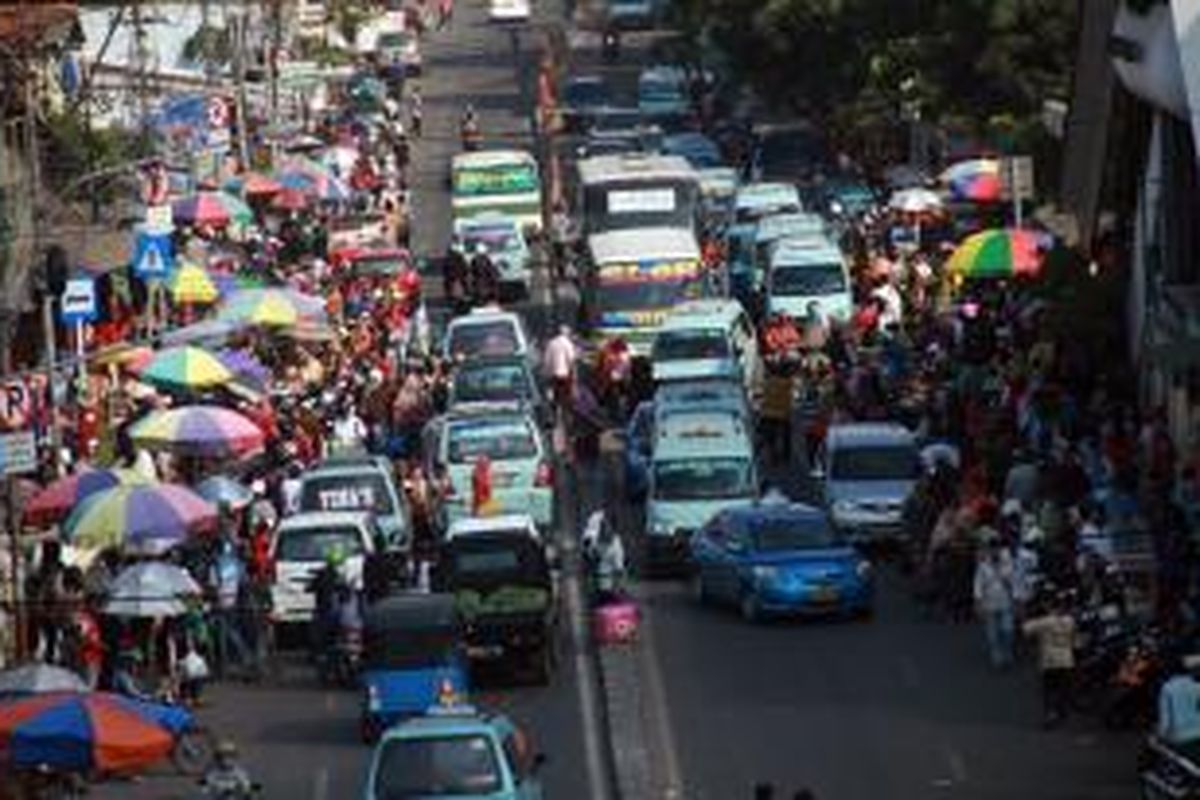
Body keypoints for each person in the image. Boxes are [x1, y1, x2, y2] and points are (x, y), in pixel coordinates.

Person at [1023, 596, 1078, 727]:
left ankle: (1050, 714)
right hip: (1066, 660)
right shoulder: (1070, 621)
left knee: (1049, 689)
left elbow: (1026, 629)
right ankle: (1062, 712)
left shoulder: (1044, 622)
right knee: (1063, 688)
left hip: (1049, 661)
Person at [973, 538, 1015, 668]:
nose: (995, 552)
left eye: (997, 549)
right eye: (992, 549)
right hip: (989, 601)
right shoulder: (983, 564)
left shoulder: (1007, 561)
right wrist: (978, 601)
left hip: (1005, 600)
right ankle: (997, 656)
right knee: (992, 631)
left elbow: (1010, 578)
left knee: (1008, 629)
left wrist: (1000, 567)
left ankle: (1007, 650)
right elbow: (978, 583)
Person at [1158, 656, 1200, 752]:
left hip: (1179, 737)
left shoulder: (1167, 688)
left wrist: (1159, 737)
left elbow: (1165, 721)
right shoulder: (1197, 687)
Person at [544, 325, 577, 413]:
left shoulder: (551, 343)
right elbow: (571, 361)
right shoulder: (568, 343)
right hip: (565, 375)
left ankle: (555, 415)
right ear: (567, 333)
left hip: (553, 375)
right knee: (566, 398)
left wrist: (547, 374)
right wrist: (574, 376)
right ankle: (564, 415)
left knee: (554, 397)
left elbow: (547, 361)